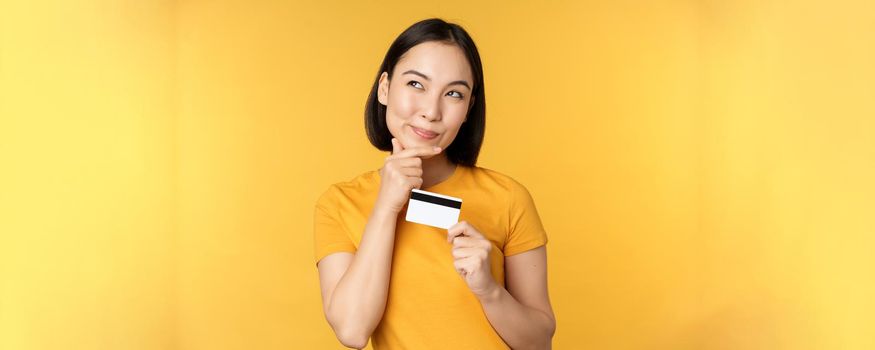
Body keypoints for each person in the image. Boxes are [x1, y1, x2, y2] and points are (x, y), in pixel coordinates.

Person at [314, 18, 555, 349]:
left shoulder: (509, 198)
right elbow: (352, 331)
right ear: (384, 88)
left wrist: (489, 290)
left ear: (468, 108)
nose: (431, 110)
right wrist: (387, 205)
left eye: (453, 93)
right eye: (416, 84)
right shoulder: (340, 203)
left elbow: (539, 343)